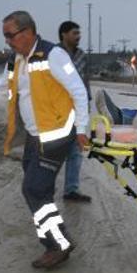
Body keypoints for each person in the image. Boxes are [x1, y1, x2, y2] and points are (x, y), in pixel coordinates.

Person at [0, 11, 89, 269]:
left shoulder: (53, 55)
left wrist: (81, 129)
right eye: (5, 36)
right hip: (35, 138)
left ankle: (57, 243)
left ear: (27, 32)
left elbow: (79, 90)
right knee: (41, 192)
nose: (8, 41)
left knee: (33, 189)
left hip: (57, 137)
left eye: (10, 35)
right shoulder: (16, 62)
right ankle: (57, 241)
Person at [57, 21, 92, 203]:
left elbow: (85, 83)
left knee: (76, 150)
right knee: (52, 152)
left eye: (79, 33)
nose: (78, 37)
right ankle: (41, 188)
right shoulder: (53, 55)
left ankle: (71, 190)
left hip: (76, 110)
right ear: (64, 34)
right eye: (74, 33)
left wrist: (86, 104)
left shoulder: (81, 56)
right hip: (56, 112)